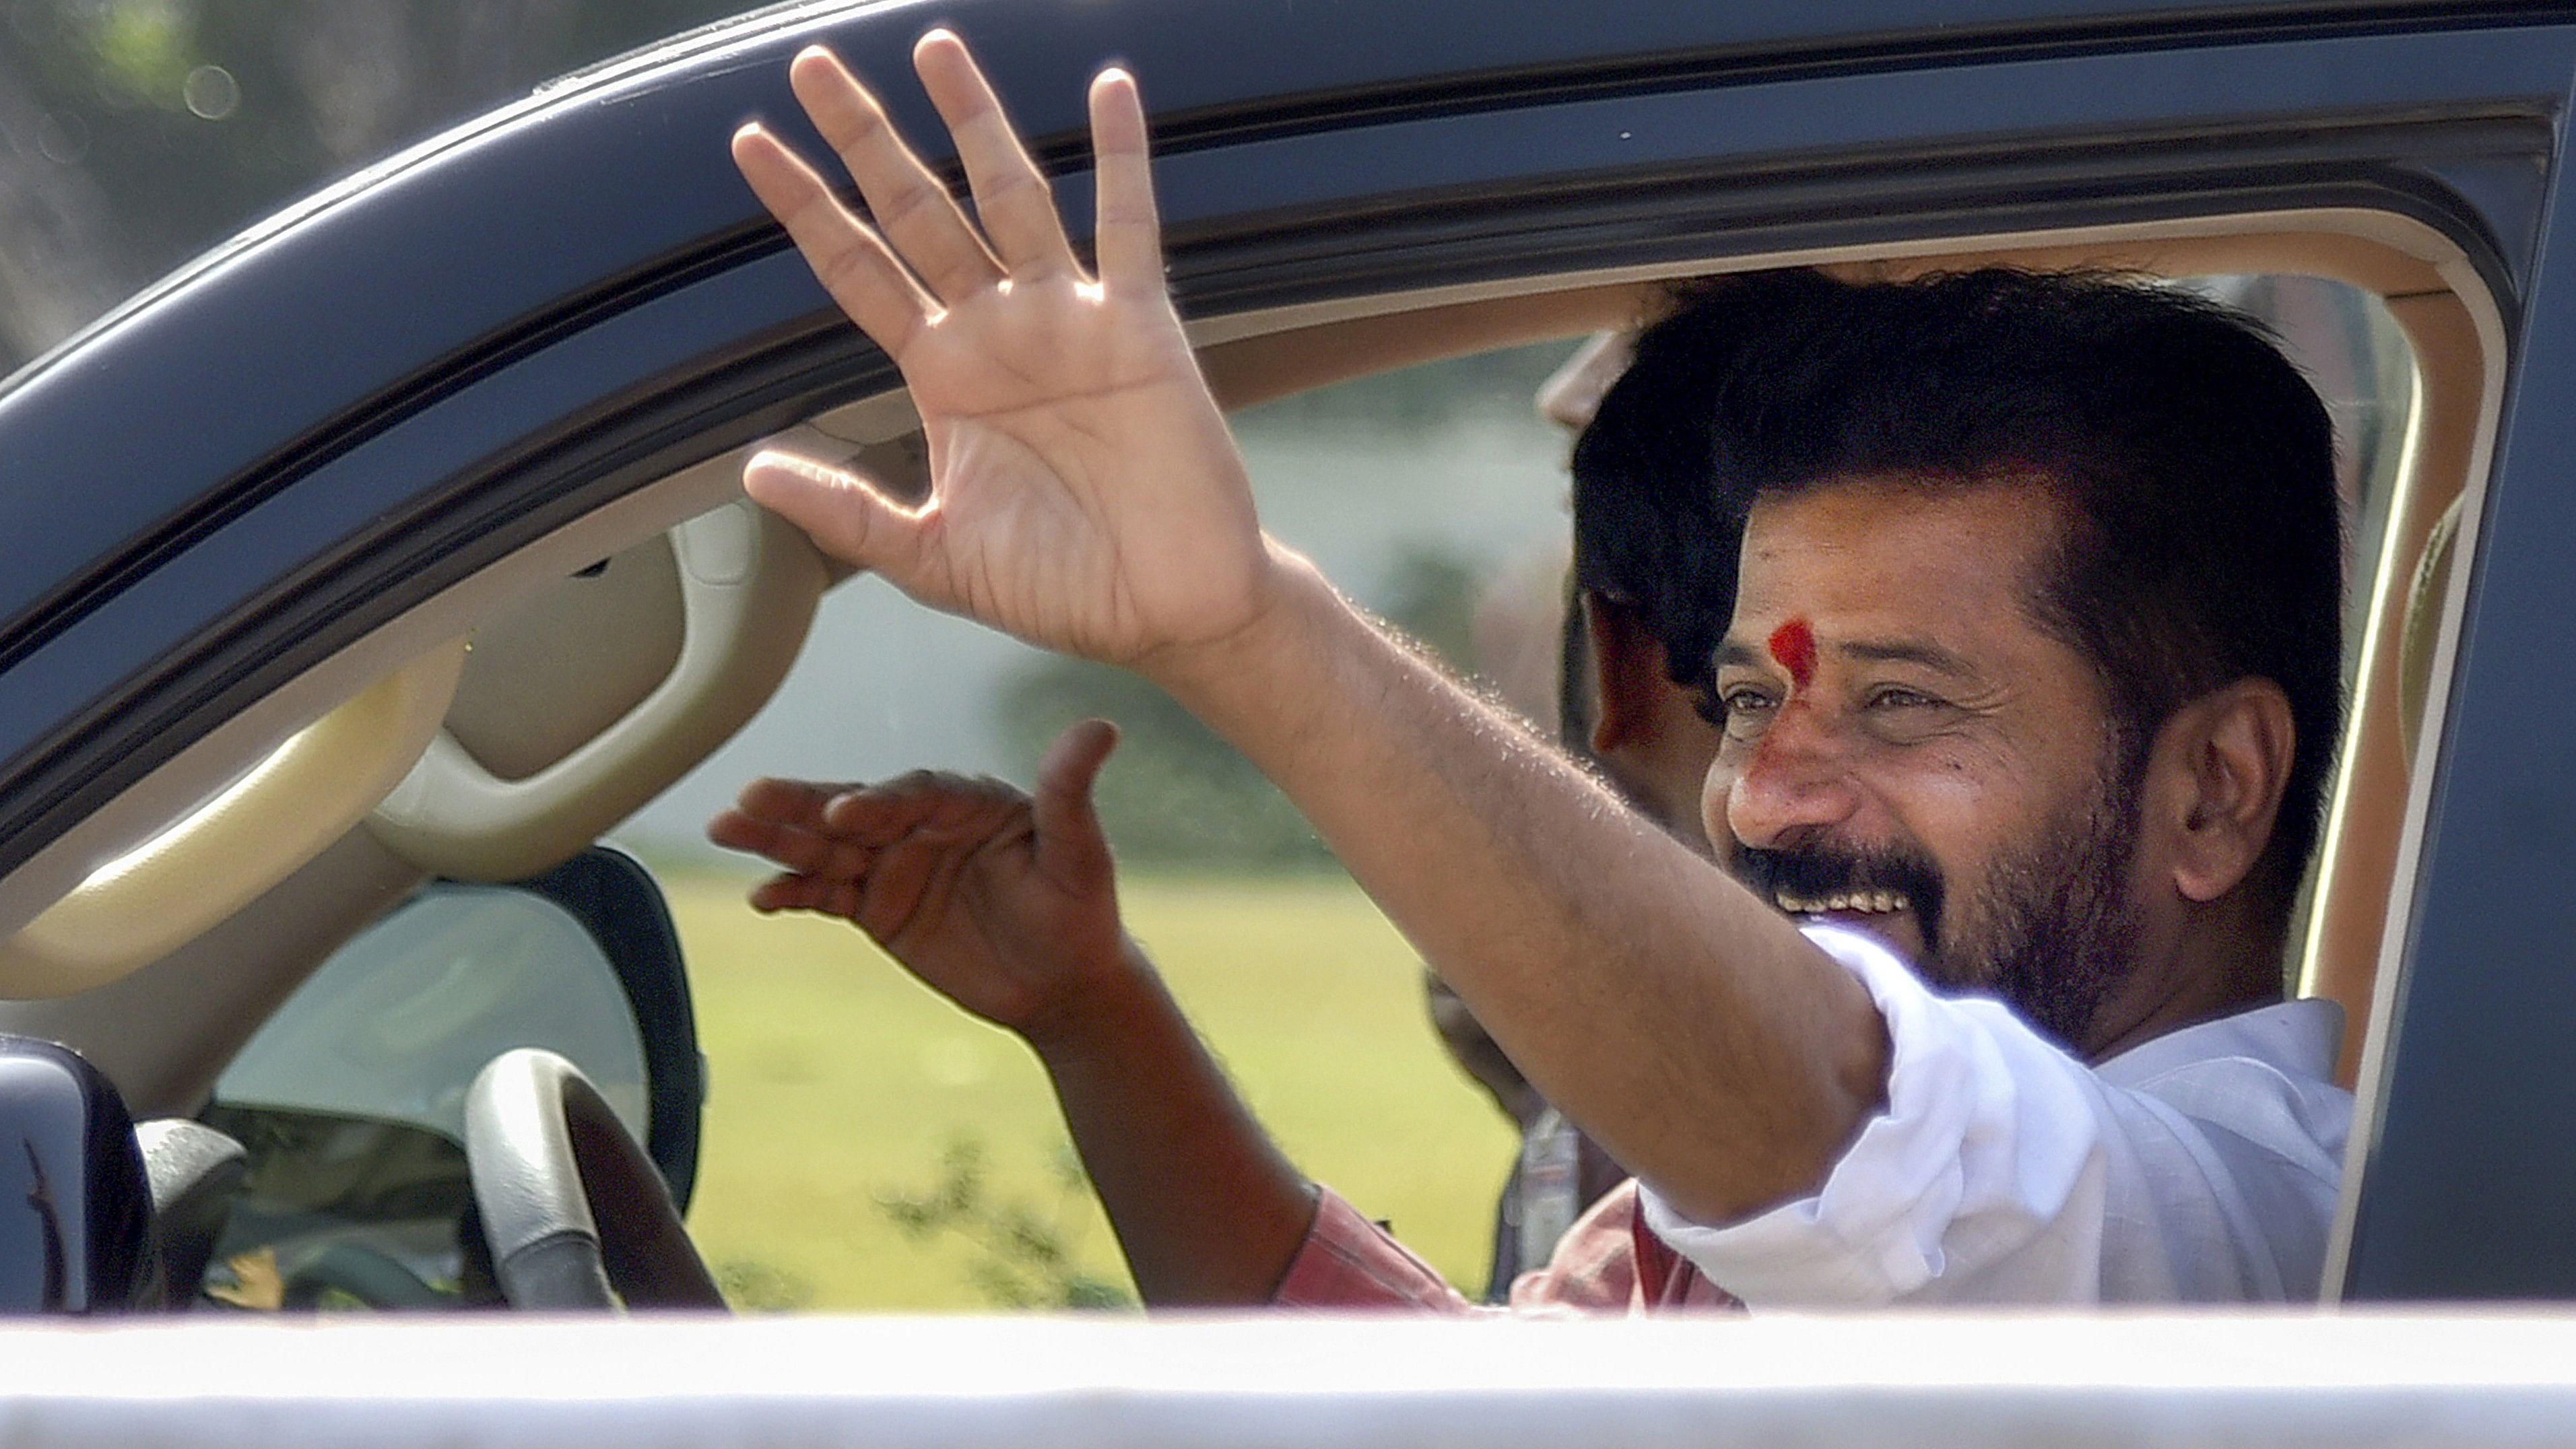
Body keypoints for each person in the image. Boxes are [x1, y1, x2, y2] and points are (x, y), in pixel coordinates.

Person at [710, 32, 2352, 1308]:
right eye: (1752, 698)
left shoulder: (2264, 1233)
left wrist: (1238, 629)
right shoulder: (1746, 1222)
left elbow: (1866, 1118)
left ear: (2209, 790)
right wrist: (1094, 1016)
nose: (1760, 797)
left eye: (1902, 702)